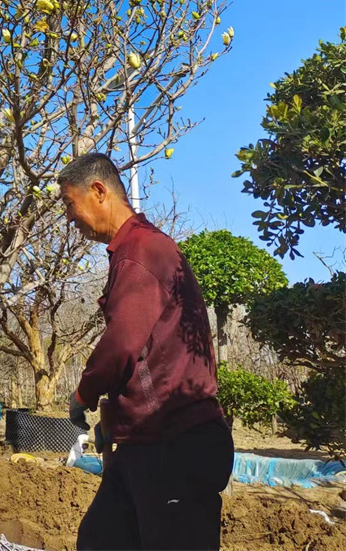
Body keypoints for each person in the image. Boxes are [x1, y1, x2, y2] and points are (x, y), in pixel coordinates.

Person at [58, 153, 234, 551]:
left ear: (99, 191)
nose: (70, 218)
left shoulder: (141, 251)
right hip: (145, 442)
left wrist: (83, 394)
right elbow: (148, 355)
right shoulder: (134, 251)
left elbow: (122, 344)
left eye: (70, 204)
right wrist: (115, 417)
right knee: (99, 540)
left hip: (174, 445)